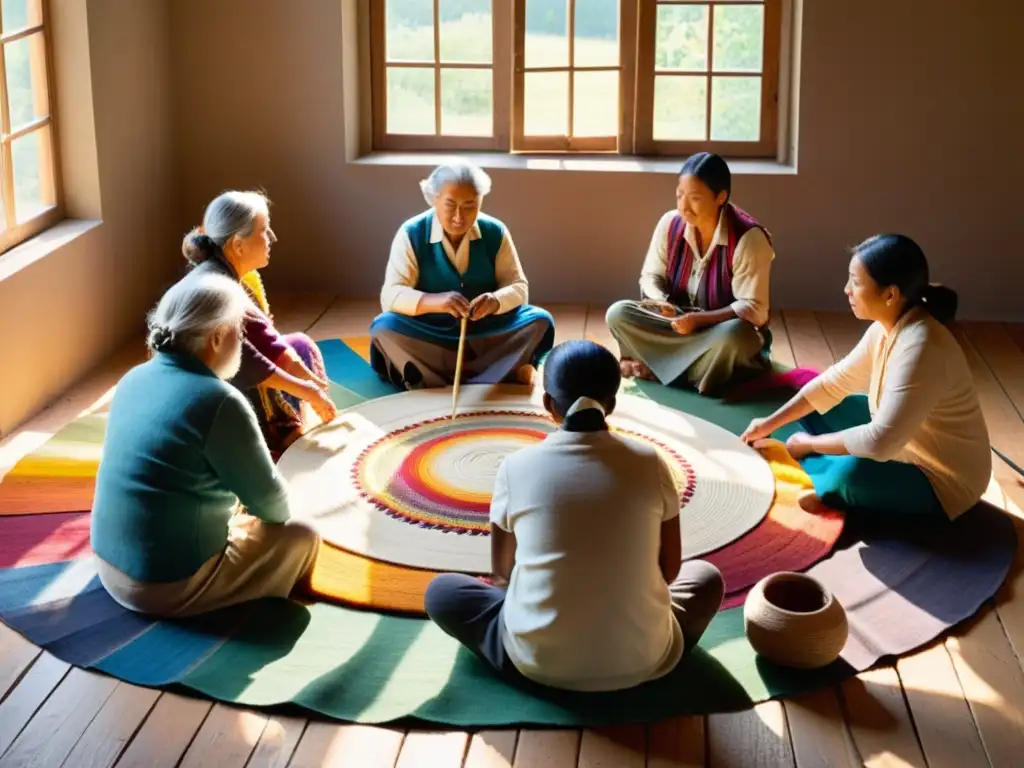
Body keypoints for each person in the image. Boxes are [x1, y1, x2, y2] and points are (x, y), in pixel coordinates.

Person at [423, 340, 725, 693]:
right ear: (612, 403)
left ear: (548, 403)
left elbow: (503, 572)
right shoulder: (650, 462)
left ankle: (542, 644)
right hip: (645, 660)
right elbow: (670, 571)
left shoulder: (516, 467)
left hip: (536, 664)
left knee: (441, 593)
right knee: (705, 578)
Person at [91, 273, 321, 617]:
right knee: (302, 533)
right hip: (165, 587)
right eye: (238, 332)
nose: (242, 342)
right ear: (215, 338)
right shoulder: (219, 401)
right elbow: (275, 508)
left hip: (108, 565)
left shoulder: (132, 378)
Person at [741, 234, 991, 523]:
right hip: (901, 443)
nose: (847, 290)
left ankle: (830, 478)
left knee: (849, 476)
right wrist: (769, 423)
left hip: (940, 479)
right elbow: (834, 382)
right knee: (823, 406)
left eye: (856, 283)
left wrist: (811, 443)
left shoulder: (922, 346)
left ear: (890, 295)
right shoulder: (887, 327)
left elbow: (879, 443)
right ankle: (826, 466)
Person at [370, 160, 555, 390]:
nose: (459, 216)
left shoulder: (494, 231)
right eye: (450, 205)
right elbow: (390, 296)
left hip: (486, 332)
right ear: (433, 199)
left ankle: (437, 376)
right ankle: (494, 373)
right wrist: (435, 302)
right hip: (430, 333)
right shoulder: (412, 233)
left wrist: (495, 301)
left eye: (469, 206)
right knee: (384, 326)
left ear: (481, 201)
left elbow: (518, 286)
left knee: (539, 320)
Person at [606, 152, 775, 395]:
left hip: (718, 333)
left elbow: (754, 310)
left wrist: (700, 321)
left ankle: (659, 369)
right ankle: (697, 374)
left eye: (694, 198)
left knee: (737, 337)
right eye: (679, 195)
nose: (683, 206)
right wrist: (660, 302)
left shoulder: (749, 239)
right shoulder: (669, 223)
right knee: (618, 313)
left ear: (720, 197)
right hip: (675, 324)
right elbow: (650, 276)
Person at [181, 190, 337, 455]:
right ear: (238, 245)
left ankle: (288, 430)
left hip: (235, 373)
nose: (271, 238)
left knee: (298, 345)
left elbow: (270, 345)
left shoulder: (230, 277)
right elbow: (253, 361)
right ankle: (274, 443)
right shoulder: (218, 293)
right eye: (264, 231)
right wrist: (312, 393)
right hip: (209, 402)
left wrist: (315, 388)